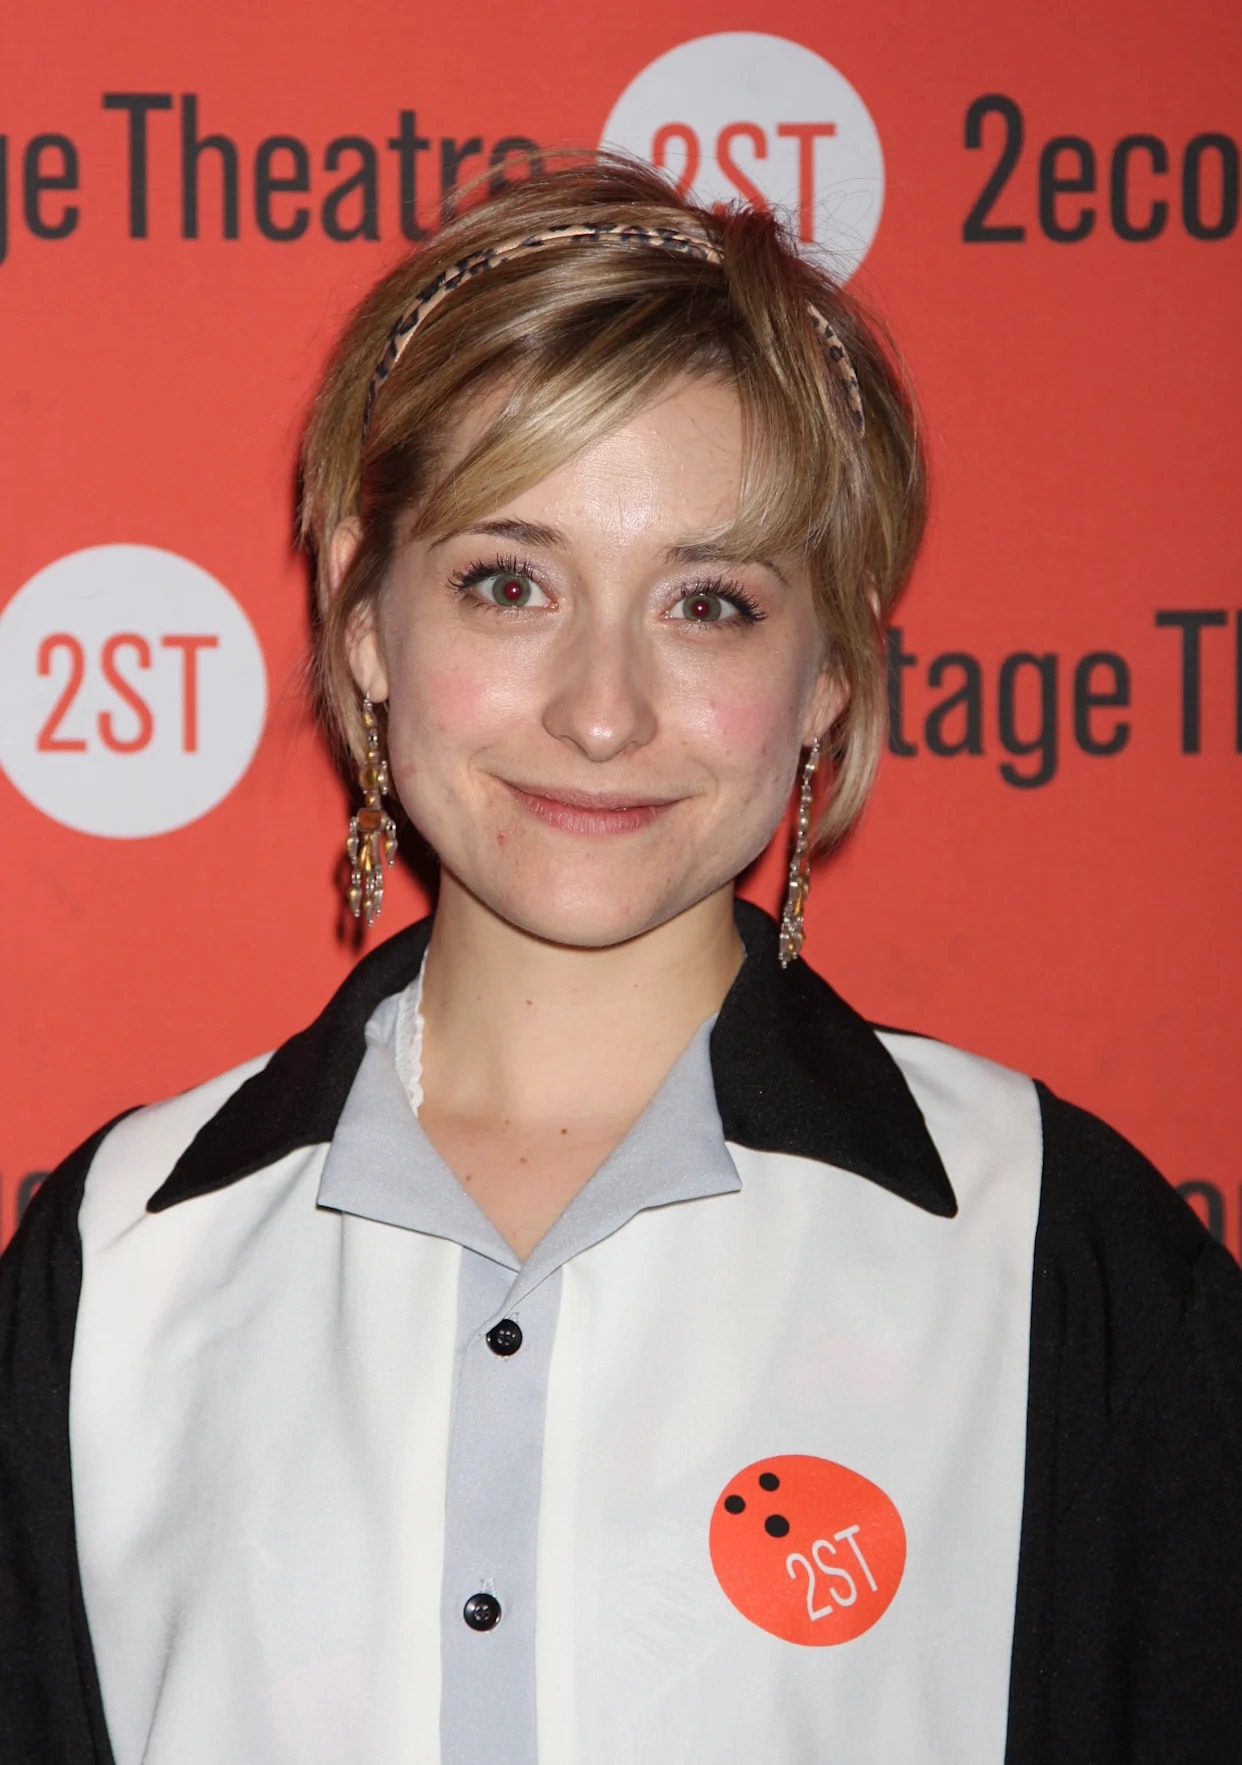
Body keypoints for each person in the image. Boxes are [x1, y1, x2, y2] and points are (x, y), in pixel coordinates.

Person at [1, 152, 1239, 1765]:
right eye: (508, 583)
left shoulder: (1054, 1249)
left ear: (830, 670)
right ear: (367, 623)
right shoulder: (119, 1263)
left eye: (707, 603)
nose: (601, 710)